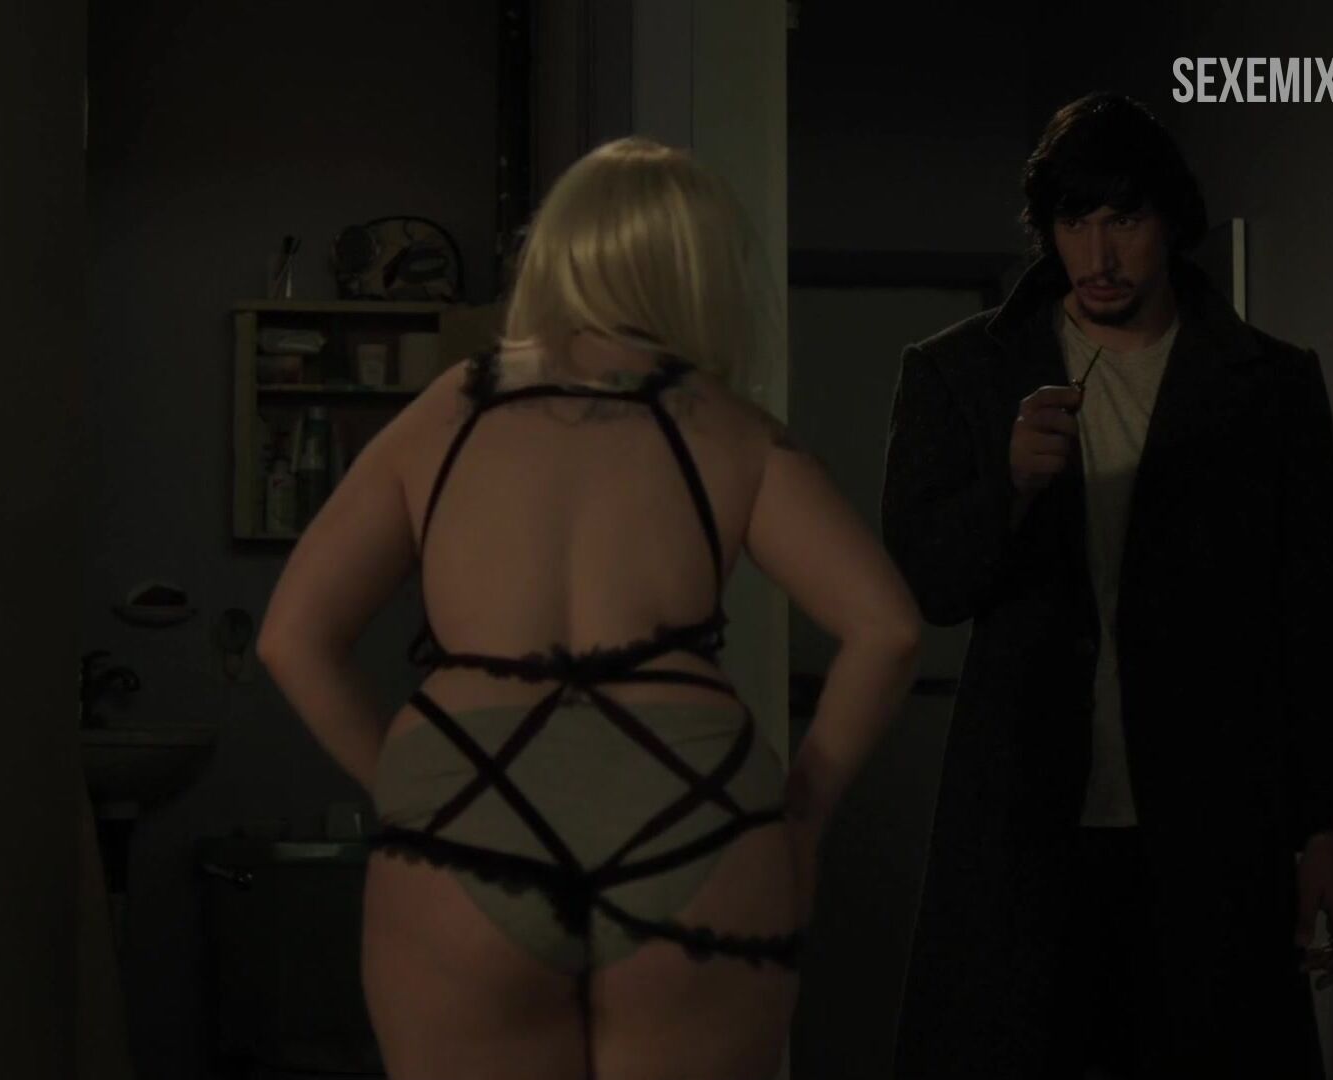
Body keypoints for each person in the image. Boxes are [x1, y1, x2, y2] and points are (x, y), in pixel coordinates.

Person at [258, 135, 921, 1080]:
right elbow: (887, 630)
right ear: (704, 273)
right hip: (694, 813)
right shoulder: (727, 426)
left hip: (464, 809)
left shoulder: (448, 410)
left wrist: (407, 787)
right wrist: (804, 816)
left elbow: (292, 638)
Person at [883, 93, 1333, 1079]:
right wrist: (1009, 489)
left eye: (1125, 221)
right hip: (1027, 822)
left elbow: (1309, 619)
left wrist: (1322, 833)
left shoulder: (1269, 383)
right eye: (1076, 223)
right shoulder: (961, 373)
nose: (1098, 256)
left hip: (1213, 822)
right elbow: (928, 585)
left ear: (1169, 221)